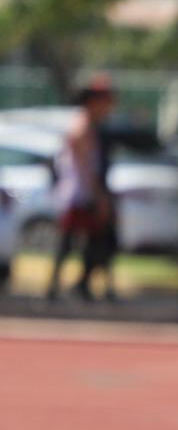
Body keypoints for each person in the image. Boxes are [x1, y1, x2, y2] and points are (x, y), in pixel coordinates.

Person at [45, 80, 116, 302]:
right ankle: (63, 287)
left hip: (80, 192)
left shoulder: (89, 124)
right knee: (78, 239)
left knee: (95, 239)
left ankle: (80, 285)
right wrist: (97, 194)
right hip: (79, 194)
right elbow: (85, 165)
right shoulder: (82, 125)